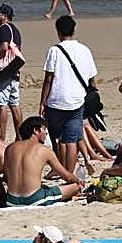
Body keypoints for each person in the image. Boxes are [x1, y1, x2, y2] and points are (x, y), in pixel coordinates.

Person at [40, 15, 97, 176]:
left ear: (58, 32)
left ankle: (57, 169)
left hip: (56, 100)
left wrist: (42, 102)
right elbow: (92, 78)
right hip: (77, 100)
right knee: (71, 139)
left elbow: (48, 79)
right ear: (74, 30)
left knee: (56, 137)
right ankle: (68, 173)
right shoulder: (85, 50)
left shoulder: (54, 50)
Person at [3, 116, 83, 207]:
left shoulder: (10, 148)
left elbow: (6, 176)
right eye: (44, 129)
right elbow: (67, 176)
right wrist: (78, 181)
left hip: (11, 200)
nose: (46, 133)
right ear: (36, 130)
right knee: (76, 186)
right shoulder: (44, 150)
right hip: (34, 199)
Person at [0, 3, 23, 142]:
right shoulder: (16, 30)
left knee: (1, 106)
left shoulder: (4, 29)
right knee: (15, 105)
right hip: (14, 71)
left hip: (3, 73)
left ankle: (1, 140)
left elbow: (3, 47)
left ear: (5, 16)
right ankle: (20, 137)